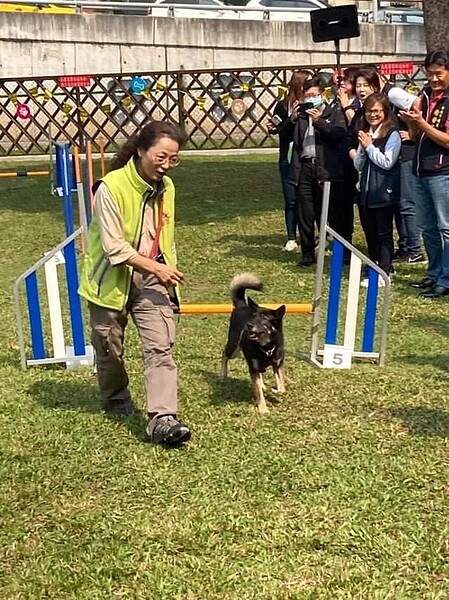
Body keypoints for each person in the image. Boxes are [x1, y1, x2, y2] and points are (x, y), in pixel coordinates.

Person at [78, 121, 192, 447]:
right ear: (141, 151)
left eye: (174, 159)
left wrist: (161, 269)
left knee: (160, 346)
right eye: (161, 157)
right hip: (110, 280)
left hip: (153, 278)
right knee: (109, 348)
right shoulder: (110, 187)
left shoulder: (167, 188)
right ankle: (116, 399)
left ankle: (163, 419)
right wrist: (155, 266)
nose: (167, 165)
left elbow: (163, 233)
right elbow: (114, 248)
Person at [400, 49, 449, 298]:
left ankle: (446, 278)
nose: (433, 79)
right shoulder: (426, 95)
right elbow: (417, 135)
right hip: (421, 168)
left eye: (438, 74)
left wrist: (422, 125)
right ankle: (433, 274)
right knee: (427, 228)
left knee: (446, 227)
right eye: (429, 75)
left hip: (443, 171)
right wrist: (411, 123)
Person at [288, 77, 347, 267]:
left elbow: (338, 134)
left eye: (314, 95)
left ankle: (340, 251)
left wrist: (319, 121)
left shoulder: (333, 112)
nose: (311, 99)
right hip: (304, 166)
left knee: (332, 212)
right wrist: (293, 119)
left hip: (326, 168)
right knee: (305, 212)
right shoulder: (301, 115)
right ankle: (307, 253)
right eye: (308, 96)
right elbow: (283, 135)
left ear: (323, 94)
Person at [353, 93, 401, 286]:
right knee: (370, 233)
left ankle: (386, 271)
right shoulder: (365, 133)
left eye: (376, 111)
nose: (372, 115)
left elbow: (387, 162)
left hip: (383, 192)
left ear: (385, 112)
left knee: (383, 233)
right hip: (365, 192)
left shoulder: (393, 134)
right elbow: (358, 164)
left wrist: (370, 147)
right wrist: (364, 150)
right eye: (369, 112)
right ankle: (373, 267)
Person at [268, 69, 312, 251]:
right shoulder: (282, 105)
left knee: (309, 198)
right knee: (291, 199)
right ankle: (291, 236)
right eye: (308, 83)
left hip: (308, 156)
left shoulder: (314, 104)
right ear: (299, 84)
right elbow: (278, 130)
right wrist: (291, 118)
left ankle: (312, 235)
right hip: (288, 156)